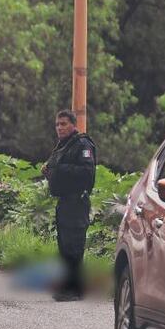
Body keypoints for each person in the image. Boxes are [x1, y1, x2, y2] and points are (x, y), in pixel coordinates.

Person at [42, 109, 96, 302]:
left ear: (73, 125)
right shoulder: (63, 146)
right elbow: (58, 169)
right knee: (64, 245)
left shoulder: (82, 144)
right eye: (57, 124)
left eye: (63, 124)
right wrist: (50, 171)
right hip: (64, 201)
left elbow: (87, 173)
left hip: (76, 201)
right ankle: (67, 286)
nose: (59, 128)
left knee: (74, 245)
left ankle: (75, 289)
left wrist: (60, 169)